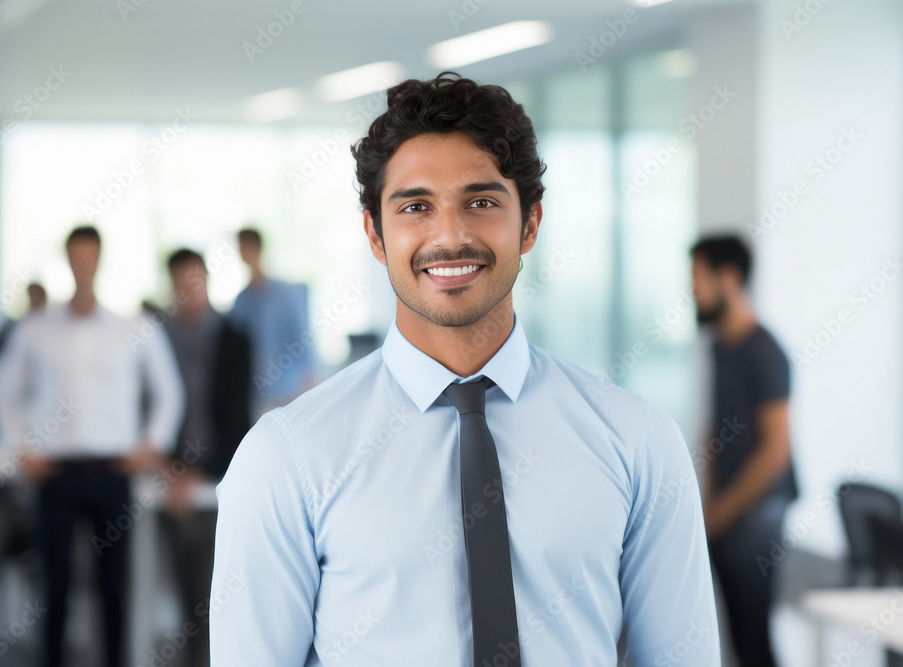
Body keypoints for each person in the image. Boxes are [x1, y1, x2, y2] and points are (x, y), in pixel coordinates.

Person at [210, 72, 719, 665]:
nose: (449, 236)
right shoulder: (286, 456)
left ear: (529, 225)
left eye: (481, 202)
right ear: (375, 234)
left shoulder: (637, 439)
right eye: (416, 207)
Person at [0, 225, 184, 667]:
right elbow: (3, 395)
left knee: (112, 585)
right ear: (67, 259)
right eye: (75, 257)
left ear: (99, 259)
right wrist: (20, 450)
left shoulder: (132, 327)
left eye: (89, 257)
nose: (83, 266)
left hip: (112, 472)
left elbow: (169, 393)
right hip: (54, 473)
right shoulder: (36, 329)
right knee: (53, 586)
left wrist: (151, 446)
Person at [691, 235, 796, 667]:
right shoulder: (719, 347)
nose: (693, 292)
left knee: (755, 645)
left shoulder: (764, 350)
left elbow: (775, 451)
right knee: (734, 643)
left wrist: (722, 512)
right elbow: (717, 435)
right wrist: (709, 506)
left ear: (728, 278)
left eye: (698, 279)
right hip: (727, 514)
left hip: (757, 516)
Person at [161, 248, 252, 667]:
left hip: (217, 475)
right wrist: (169, 468)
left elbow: (237, 418)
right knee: (181, 587)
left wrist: (193, 473)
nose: (187, 292)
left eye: (194, 282)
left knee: (218, 586)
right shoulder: (159, 337)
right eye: (180, 284)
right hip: (169, 473)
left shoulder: (235, 339)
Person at [228, 227, 315, 418]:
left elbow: (304, 342)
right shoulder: (241, 302)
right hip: (257, 397)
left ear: (258, 248)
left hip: (289, 393)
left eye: (247, 247)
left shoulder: (286, 294)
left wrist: (308, 390)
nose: (243, 253)